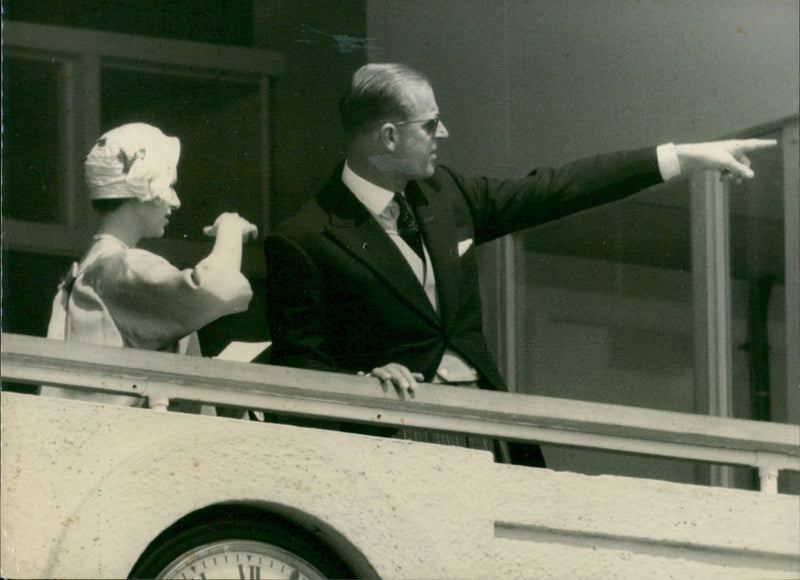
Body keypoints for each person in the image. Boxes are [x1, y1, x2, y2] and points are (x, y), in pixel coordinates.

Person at [262, 63, 775, 464]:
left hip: (488, 430)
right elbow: (297, 368)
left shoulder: (447, 194)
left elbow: (555, 189)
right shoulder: (304, 238)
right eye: (432, 124)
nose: (445, 134)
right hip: (392, 438)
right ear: (390, 137)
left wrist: (683, 157)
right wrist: (360, 379)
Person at [43, 122, 258, 408]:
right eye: (169, 186)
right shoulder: (117, 267)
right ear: (143, 188)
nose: (176, 202)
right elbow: (217, 289)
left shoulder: (93, 267)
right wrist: (230, 230)